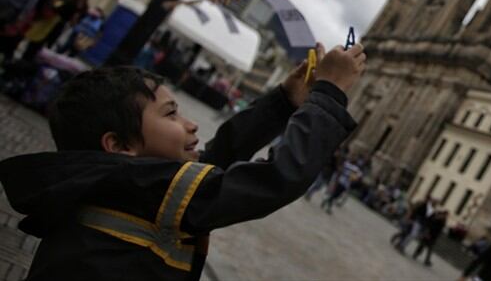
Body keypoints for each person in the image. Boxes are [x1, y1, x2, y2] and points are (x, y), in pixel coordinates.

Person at [0, 42, 366, 281]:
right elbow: (276, 179)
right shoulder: (149, 190)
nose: (190, 123)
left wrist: (283, 102)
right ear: (120, 144)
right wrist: (329, 93)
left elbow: (215, 159)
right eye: (171, 114)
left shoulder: (120, 183)